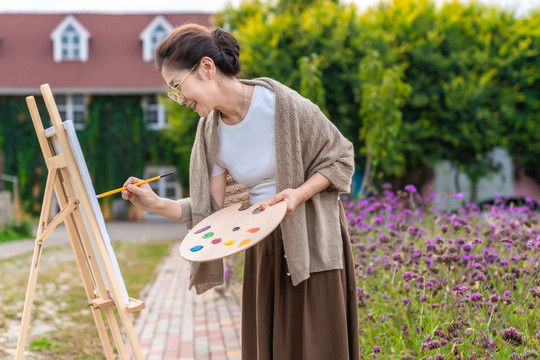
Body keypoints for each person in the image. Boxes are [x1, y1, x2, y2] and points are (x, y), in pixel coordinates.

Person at [122, 23, 359, 360]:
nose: (179, 100)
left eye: (178, 87)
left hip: (311, 242)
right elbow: (212, 211)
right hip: (263, 245)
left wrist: (298, 194)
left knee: (316, 346)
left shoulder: (282, 105)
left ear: (206, 68)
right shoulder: (210, 132)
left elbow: (340, 156)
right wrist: (157, 204)